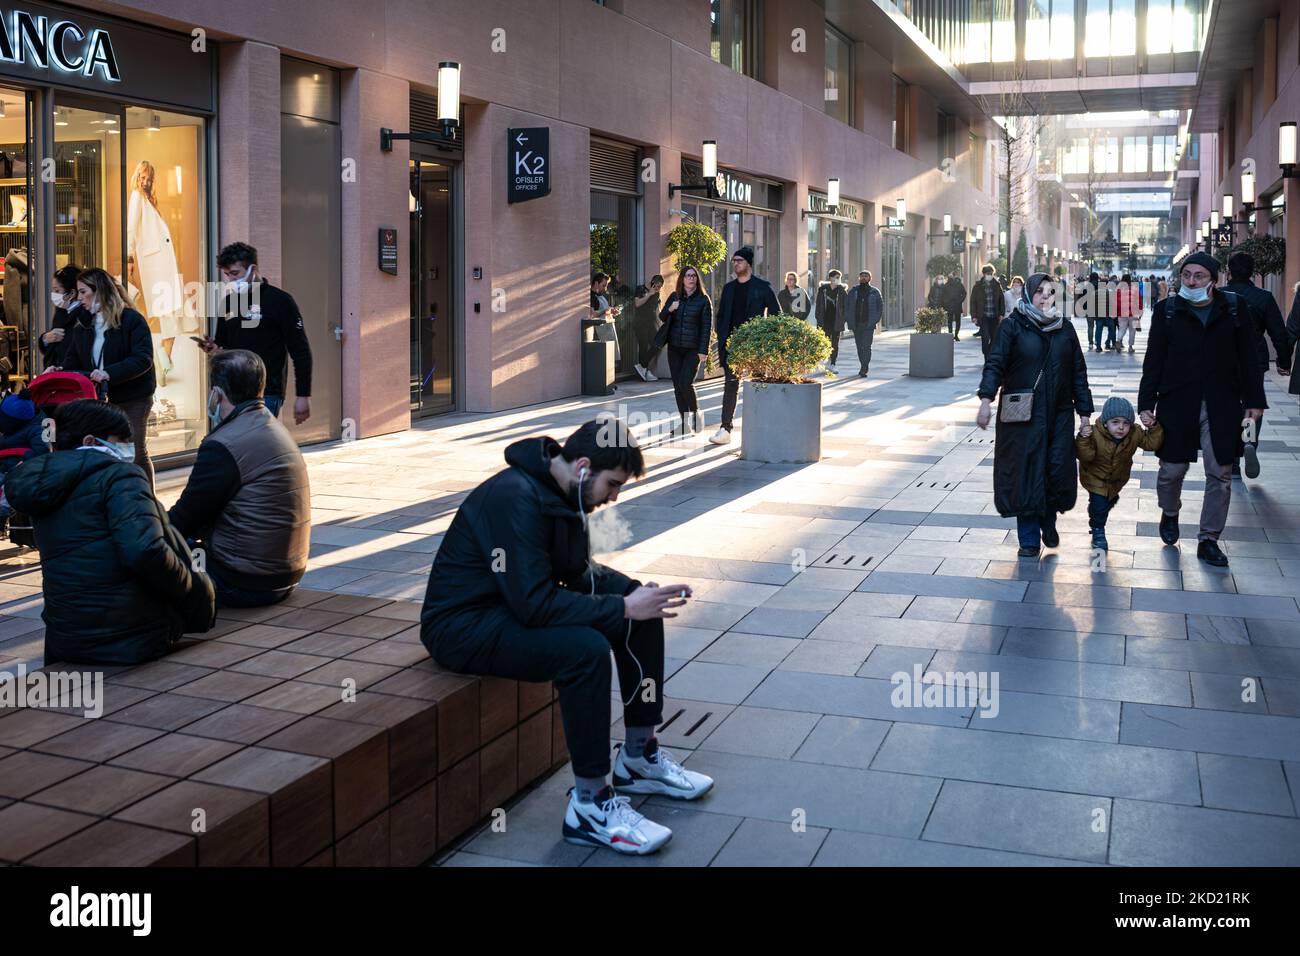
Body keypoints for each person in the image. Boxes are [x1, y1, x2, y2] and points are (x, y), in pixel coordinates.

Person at [419, 420, 714, 855]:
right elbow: (534, 605)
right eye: (612, 485)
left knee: (641, 610)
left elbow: (576, 574)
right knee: (585, 652)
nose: (613, 497)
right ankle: (590, 804)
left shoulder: (564, 494)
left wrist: (631, 593)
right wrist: (619, 607)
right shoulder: (513, 497)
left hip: (507, 610)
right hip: (462, 626)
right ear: (582, 467)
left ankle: (638, 756)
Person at [3, 399, 215, 665]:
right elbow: (146, 549)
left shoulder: (42, 483)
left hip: (66, 636)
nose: (128, 447)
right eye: (121, 439)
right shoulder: (121, 476)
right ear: (91, 441)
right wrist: (190, 589)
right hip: (130, 634)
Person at [1138, 252, 1265, 568]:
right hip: (1177, 401)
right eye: (1186, 275)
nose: (1191, 282)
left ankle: (1209, 539)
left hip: (1222, 402)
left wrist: (1254, 402)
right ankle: (1170, 511)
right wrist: (1145, 404)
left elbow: (1249, 358)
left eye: (1199, 276)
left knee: (1220, 472)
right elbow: (1153, 360)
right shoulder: (1167, 311)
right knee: (1171, 472)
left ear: (1214, 279)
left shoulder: (1233, 308)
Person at [168, 350, 311, 608]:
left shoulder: (225, 444)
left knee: (151, 552)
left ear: (217, 394)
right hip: (284, 573)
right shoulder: (270, 425)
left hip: (244, 581)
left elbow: (184, 519)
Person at [977, 273, 1093, 557]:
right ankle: (1028, 538)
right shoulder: (1012, 327)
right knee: (1025, 471)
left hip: (1060, 413)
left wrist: (1085, 414)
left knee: (1055, 468)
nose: (1044, 296)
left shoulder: (1064, 328)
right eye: (1039, 291)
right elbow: (995, 364)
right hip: (1022, 414)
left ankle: (1048, 520)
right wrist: (985, 399)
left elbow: (1078, 371)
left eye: (1049, 292)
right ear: (1028, 294)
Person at [59, 267, 157, 487]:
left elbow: (142, 359)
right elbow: (73, 361)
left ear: (100, 291)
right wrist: (58, 371)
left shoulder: (131, 320)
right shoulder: (84, 325)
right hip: (100, 399)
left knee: (133, 449)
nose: (80, 298)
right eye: (78, 292)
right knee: (106, 450)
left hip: (133, 396)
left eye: (83, 292)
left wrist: (109, 373)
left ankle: (147, 499)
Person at [198, 243, 313, 425]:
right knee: (235, 446)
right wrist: (214, 349)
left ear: (253, 269)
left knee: (256, 445)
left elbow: (301, 352)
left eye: (235, 273)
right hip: (231, 391)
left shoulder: (280, 301)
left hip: (266, 392)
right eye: (227, 275)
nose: (231, 280)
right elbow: (224, 346)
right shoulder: (228, 303)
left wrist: (303, 395)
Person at [1223, 252, 1292, 479]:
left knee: (1227, 406)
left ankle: (1232, 460)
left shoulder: (1219, 295)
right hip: (1254, 361)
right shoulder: (1263, 297)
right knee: (1250, 404)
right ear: (1252, 272)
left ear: (1228, 271)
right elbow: (1278, 332)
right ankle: (1248, 442)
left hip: (1224, 361)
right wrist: (1283, 361)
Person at [1075, 396, 1164, 552]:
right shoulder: (1095, 434)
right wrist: (1083, 438)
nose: (1121, 427)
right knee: (1099, 505)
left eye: (1125, 423)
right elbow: (1085, 455)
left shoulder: (1134, 433)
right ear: (1105, 423)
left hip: (1117, 479)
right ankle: (1098, 531)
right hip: (1095, 476)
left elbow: (1152, 443)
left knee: (1105, 501)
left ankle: (1102, 508)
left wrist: (1154, 426)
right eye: (1115, 422)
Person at [711, 246, 780, 445]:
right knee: (731, 385)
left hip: (754, 344)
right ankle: (725, 429)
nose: (735, 264)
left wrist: (766, 340)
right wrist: (721, 337)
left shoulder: (762, 286)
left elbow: (776, 315)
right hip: (731, 345)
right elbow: (721, 315)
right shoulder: (729, 288)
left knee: (759, 384)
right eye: (733, 261)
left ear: (748, 263)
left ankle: (763, 427)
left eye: (739, 260)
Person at [127, 159, 186, 385]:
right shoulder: (136, 198)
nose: (145, 182)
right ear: (136, 177)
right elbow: (131, 229)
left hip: (163, 264)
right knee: (170, 313)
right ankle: (162, 363)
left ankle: (163, 361)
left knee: (173, 314)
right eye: (142, 177)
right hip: (156, 265)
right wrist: (129, 258)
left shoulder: (148, 200)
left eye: (149, 179)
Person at [657, 267, 712, 435]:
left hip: (693, 349)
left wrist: (703, 350)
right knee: (677, 386)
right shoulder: (674, 297)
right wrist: (670, 309)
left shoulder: (703, 300)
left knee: (685, 383)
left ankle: (696, 415)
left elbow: (706, 327)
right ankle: (684, 423)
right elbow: (662, 317)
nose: (691, 278)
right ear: (682, 279)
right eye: (688, 276)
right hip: (674, 348)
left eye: (694, 276)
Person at [37, 264, 84, 370]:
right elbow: (53, 339)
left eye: (57, 291)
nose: (54, 294)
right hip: (53, 369)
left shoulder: (83, 314)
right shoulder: (61, 310)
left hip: (70, 372)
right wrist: (45, 339)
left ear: (72, 292)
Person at [844, 270, 883, 378]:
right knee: (859, 346)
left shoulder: (875, 292)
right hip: (856, 324)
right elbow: (847, 306)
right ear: (859, 278)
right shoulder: (853, 291)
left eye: (866, 276)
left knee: (866, 346)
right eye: (862, 276)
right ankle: (863, 364)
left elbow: (880, 308)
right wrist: (849, 319)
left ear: (870, 278)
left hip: (868, 324)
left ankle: (864, 367)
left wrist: (874, 321)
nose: (864, 278)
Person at [631, 275, 665, 382]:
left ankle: (642, 367)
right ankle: (645, 372)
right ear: (652, 283)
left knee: (658, 344)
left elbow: (656, 310)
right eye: (656, 286)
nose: (658, 289)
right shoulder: (641, 289)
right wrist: (649, 294)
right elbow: (637, 304)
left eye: (660, 287)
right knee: (643, 346)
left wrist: (661, 323)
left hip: (651, 323)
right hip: (640, 323)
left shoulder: (657, 294)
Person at [969, 264, 1006, 360]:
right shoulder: (978, 286)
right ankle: (986, 355)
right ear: (984, 274)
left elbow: (1001, 300)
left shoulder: (997, 285)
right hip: (983, 316)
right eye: (988, 273)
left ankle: (989, 354)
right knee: (985, 337)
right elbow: (973, 302)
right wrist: (974, 316)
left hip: (995, 316)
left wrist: (1002, 314)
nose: (989, 275)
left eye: (991, 273)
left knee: (994, 338)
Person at [814, 269, 849, 367]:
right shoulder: (823, 289)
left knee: (835, 343)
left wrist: (843, 319)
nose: (838, 279)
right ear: (830, 278)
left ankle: (833, 362)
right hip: (825, 320)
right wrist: (818, 317)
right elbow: (818, 304)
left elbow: (846, 306)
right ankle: (825, 359)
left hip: (836, 321)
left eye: (839, 278)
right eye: (836, 277)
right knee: (824, 342)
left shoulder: (842, 291)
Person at [1116, 273, 1140, 353]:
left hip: (1122, 312)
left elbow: (1115, 301)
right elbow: (1139, 301)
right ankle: (1130, 347)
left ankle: (1119, 340)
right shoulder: (1134, 288)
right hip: (1133, 313)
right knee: (1132, 330)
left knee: (1122, 328)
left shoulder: (1118, 288)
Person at [942, 270, 966, 341]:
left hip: (957, 305)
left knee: (957, 321)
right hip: (949, 305)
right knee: (950, 321)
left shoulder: (959, 284)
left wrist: (960, 300)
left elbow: (964, 293)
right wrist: (946, 301)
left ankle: (956, 335)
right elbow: (943, 295)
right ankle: (951, 335)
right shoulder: (946, 285)